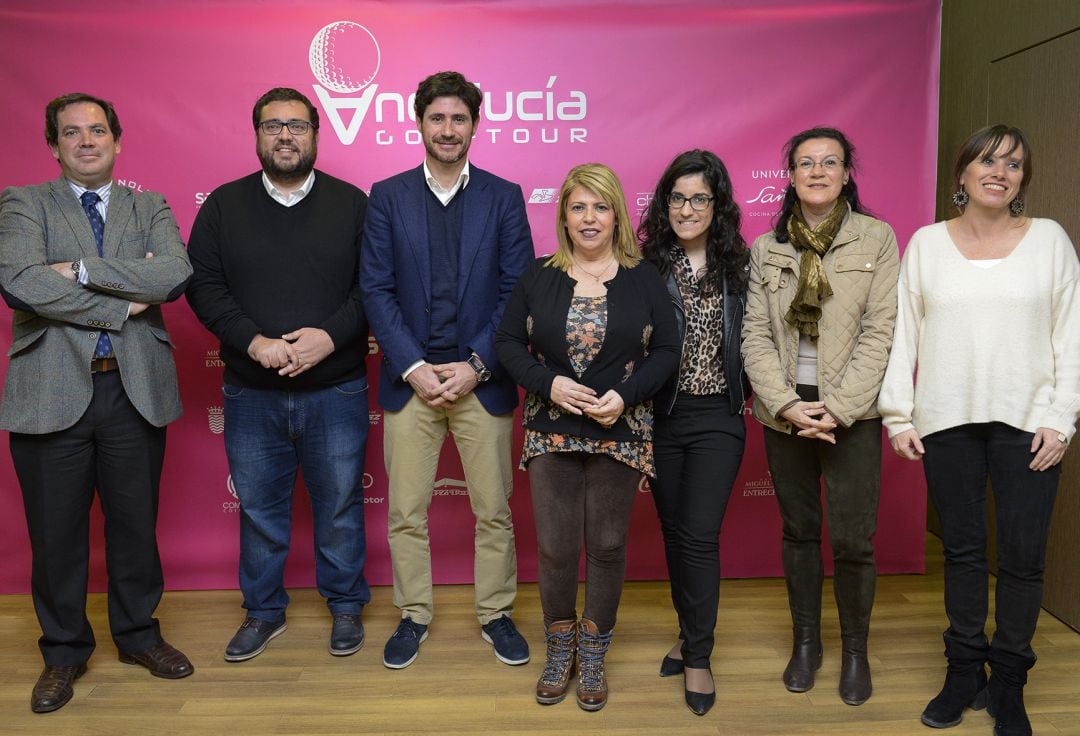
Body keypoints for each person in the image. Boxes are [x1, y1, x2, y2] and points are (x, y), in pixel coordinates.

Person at [879, 124, 1078, 736]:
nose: (1001, 171)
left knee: (1021, 560)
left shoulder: (1049, 241)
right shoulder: (926, 244)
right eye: (987, 161)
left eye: (1014, 164)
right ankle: (964, 672)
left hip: (1030, 427)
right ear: (962, 174)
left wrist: (1061, 418)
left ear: (1022, 180)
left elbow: (1070, 333)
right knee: (963, 555)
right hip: (948, 422)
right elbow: (903, 335)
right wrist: (898, 414)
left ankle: (1009, 684)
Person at [0, 92, 194, 713]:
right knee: (56, 536)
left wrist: (77, 271)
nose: (87, 141)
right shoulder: (24, 203)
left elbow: (170, 274)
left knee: (135, 527)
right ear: (53, 145)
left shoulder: (150, 204)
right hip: (49, 392)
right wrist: (118, 298)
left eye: (98, 131)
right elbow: (21, 282)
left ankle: (139, 636)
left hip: (133, 387)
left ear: (117, 140)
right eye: (72, 133)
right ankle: (63, 652)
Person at [186, 87, 371, 663]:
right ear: (257, 135)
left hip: (336, 388)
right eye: (272, 126)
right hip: (252, 390)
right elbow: (203, 285)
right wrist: (255, 341)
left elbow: (375, 287)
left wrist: (328, 337)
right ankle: (263, 612)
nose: (285, 135)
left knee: (339, 505)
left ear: (317, 134)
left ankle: (345, 606)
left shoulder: (353, 203)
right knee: (260, 509)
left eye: (296, 125)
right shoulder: (222, 205)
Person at [361, 70, 534, 670]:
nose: (448, 129)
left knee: (494, 511)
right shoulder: (387, 195)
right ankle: (413, 615)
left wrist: (476, 365)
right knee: (406, 512)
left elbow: (517, 291)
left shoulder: (503, 195)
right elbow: (376, 290)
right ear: (419, 122)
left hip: (480, 383)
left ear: (474, 126)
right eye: (437, 118)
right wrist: (412, 366)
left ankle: (496, 613)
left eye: (459, 118)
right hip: (411, 384)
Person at [496, 163, 679, 711]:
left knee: (606, 546)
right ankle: (560, 646)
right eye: (579, 207)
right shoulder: (538, 276)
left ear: (617, 214)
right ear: (564, 216)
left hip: (620, 429)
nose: (590, 217)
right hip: (551, 428)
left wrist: (627, 396)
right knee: (555, 548)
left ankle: (594, 649)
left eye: (601, 206)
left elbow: (668, 351)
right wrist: (549, 383)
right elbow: (508, 344)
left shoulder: (643, 276)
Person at [742, 127, 899, 706]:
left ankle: (854, 650)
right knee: (800, 533)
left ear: (846, 173)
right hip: (785, 416)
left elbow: (881, 332)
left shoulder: (877, 239)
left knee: (855, 540)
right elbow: (755, 335)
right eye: (805, 163)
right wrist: (785, 403)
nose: (817, 171)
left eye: (829, 162)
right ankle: (806, 643)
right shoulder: (768, 247)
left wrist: (835, 408)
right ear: (789, 176)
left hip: (850, 418)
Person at [638, 149, 750, 716]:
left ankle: (699, 655)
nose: (686, 208)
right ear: (665, 204)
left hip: (719, 417)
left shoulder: (740, 264)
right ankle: (687, 634)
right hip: (661, 417)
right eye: (677, 198)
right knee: (676, 533)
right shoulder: (646, 263)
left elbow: (761, 341)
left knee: (701, 535)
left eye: (699, 198)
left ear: (717, 204)